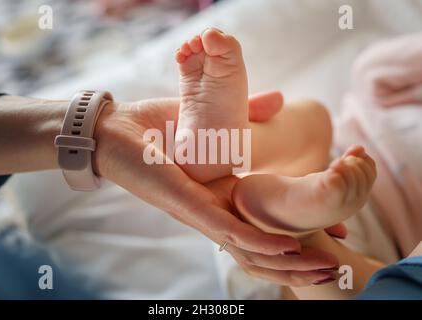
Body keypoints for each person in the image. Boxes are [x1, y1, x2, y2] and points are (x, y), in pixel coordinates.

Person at [0, 86, 346, 297]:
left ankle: (237, 149)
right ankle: (278, 204)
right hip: (329, 228)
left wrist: (100, 132)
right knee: (314, 119)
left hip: (318, 187)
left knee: (311, 124)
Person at [172, 28, 422, 299]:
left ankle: (295, 228)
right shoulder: (397, 89)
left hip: (364, 253)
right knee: (314, 121)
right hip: (319, 163)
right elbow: (372, 69)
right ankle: (226, 147)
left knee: (359, 279)